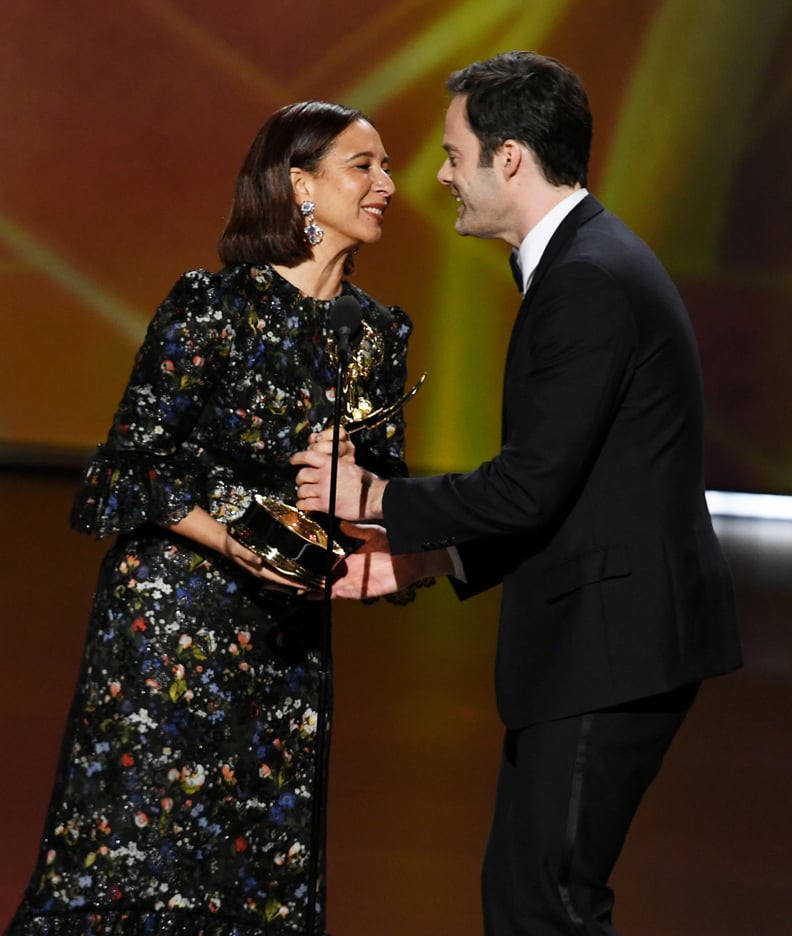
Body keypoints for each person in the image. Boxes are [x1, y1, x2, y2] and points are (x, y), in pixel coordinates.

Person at [293, 52, 742, 935]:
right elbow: (579, 486)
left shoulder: (587, 280)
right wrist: (428, 555)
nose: (439, 176)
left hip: (610, 649)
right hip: (608, 644)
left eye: (455, 154)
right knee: (533, 898)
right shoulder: (586, 261)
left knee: (547, 908)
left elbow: (531, 485)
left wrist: (375, 497)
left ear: (509, 158)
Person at [6, 100, 412, 935]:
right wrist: (228, 537)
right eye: (362, 166)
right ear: (299, 184)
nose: (387, 185)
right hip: (173, 629)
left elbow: (385, 494)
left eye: (385, 166)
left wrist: (357, 482)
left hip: (287, 642)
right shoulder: (211, 306)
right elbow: (126, 468)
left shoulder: (379, 334)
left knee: (261, 870)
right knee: (144, 860)